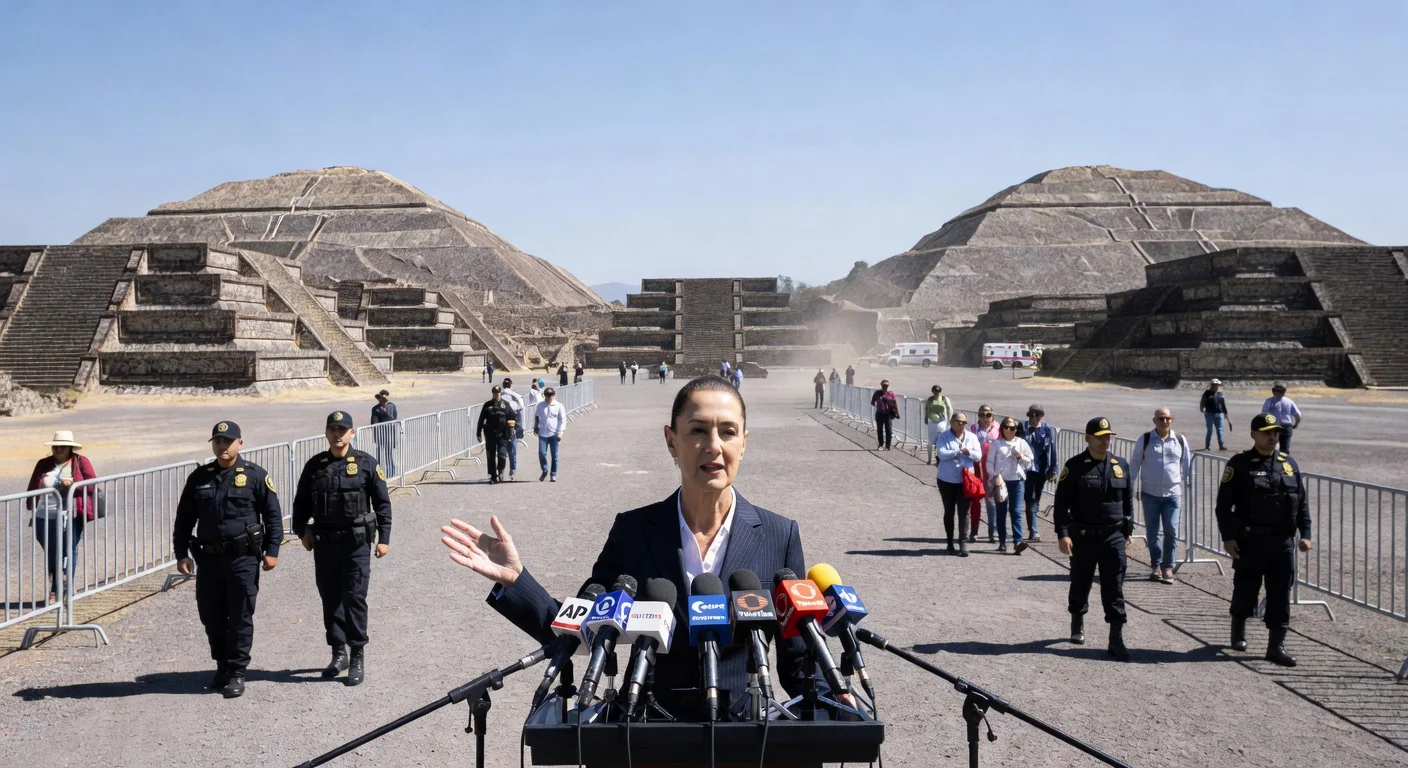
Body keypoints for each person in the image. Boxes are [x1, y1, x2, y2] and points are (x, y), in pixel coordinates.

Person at [441, 376, 823, 714]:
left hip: (745, 736)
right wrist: (516, 579)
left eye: (727, 432)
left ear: (744, 443)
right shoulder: (634, 530)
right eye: (697, 431)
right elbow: (582, 629)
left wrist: (833, 696)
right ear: (671, 441)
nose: (713, 446)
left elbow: (799, 658)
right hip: (643, 730)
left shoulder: (779, 534)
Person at [172, 421, 282, 698]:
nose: (223, 446)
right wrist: (181, 554)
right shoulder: (200, 477)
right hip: (208, 560)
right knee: (211, 616)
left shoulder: (255, 476)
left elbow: (272, 517)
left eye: (228, 441)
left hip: (242, 559)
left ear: (240, 443)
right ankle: (221, 665)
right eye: (218, 441)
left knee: (240, 616)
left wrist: (272, 552)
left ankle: (237, 671)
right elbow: (184, 519)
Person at [290, 411, 393, 686]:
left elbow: (382, 504)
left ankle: (357, 654)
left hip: (356, 545)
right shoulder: (315, 466)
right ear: (326, 433)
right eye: (333, 429)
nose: (338, 434)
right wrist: (301, 531)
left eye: (343, 429)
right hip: (324, 546)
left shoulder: (366, 464)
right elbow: (300, 503)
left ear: (352, 433)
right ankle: (339, 653)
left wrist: (384, 539)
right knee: (330, 600)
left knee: (355, 599)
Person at [1216, 413, 1313, 667]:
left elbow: (1300, 502)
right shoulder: (1239, 464)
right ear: (1253, 434)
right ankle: (1238, 629)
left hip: (1282, 542)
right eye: (1267, 432)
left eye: (1276, 433)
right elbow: (1223, 506)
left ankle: (1276, 646)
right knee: (1246, 589)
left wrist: (1307, 534)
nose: (1273, 437)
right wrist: (1228, 538)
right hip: (1250, 541)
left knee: (1280, 593)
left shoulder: (1288, 464)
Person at [1053, 417, 1134, 661]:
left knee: (1115, 587)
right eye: (1101, 436)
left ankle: (1115, 639)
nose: (1106, 440)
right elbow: (1060, 504)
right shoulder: (1075, 466)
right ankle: (1077, 620)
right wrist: (1063, 534)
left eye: (1109, 436)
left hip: (1113, 536)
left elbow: (1127, 500)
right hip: (1084, 536)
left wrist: (1127, 530)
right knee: (1080, 582)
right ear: (1088, 438)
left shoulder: (1121, 464)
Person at [26, 431, 97, 605]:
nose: (58, 449)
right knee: (51, 550)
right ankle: (59, 580)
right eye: (56, 446)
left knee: (68, 548)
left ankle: (61, 587)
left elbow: (93, 484)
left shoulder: (81, 462)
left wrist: (73, 484)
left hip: (71, 514)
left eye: (62, 446)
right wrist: (30, 503)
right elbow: (34, 483)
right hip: (44, 513)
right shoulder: (43, 463)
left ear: (70, 448)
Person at [1128, 408, 1193, 584]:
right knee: (1152, 532)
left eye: (1167, 418)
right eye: (1161, 418)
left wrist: (1189, 481)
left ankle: (1168, 567)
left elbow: (1187, 461)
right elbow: (1134, 463)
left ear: (1172, 420)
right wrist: (1129, 485)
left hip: (1173, 494)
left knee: (1171, 530)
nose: (1164, 421)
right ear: (1154, 420)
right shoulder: (1146, 439)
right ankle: (1156, 565)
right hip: (1150, 494)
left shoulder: (1179, 439)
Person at [935, 413, 982, 555]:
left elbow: (978, 455)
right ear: (951, 422)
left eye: (964, 422)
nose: (962, 424)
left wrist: (968, 453)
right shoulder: (943, 436)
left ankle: (963, 543)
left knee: (964, 512)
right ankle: (950, 541)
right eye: (959, 422)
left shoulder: (972, 437)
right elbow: (941, 453)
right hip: (947, 480)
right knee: (949, 511)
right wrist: (957, 451)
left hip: (965, 480)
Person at [986, 417, 1034, 553]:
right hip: (1001, 482)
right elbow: (989, 462)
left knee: (1016, 511)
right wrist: (994, 476)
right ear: (1002, 428)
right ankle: (1002, 542)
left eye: (1012, 428)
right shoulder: (996, 444)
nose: (1009, 430)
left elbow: (1030, 461)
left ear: (1016, 430)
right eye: (1006, 427)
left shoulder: (1021, 442)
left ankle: (1017, 541)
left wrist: (1021, 457)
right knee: (1001, 512)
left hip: (1017, 481)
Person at [1017, 404, 1057, 543]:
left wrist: (1053, 469)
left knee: (1036, 498)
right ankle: (1033, 530)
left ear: (1041, 416)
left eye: (1037, 415)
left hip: (1041, 468)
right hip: (1026, 469)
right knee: (1030, 498)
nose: (1034, 418)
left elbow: (1052, 449)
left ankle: (1032, 526)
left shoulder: (1047, 429)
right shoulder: (1021, 427)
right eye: (1031, 415)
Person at [969, 405, 1001, 543]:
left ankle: (992, 531)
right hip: (976, 466)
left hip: (992, 467)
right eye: (982, 414)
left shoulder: (998, 428)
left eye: (988, 414)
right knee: (975, 499)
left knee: (991, 499)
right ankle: (974, 531)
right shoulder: (974, 429)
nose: (985, 418)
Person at [475, 386, 516, 484]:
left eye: (498, 393)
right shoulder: (487, 405)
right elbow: (481, 419)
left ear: (500, 393)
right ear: (492, 393)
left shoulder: (505, 404)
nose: (496, 395)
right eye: (494, 393)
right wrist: (478, 432)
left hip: (502, 434)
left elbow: (512, 417)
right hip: (490, 434)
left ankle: (501, 470)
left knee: (502, 455)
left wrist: (512, 429)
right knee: (491, 456)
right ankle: (493, 476)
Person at [535, 386, 567, 482]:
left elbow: (563, 420)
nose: (549, 398)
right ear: (545, 396)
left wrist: (561, 432)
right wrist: (536, 427)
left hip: (554, 434)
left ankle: (553, 474)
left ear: (554, 395)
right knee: (542, 453)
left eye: (551, 396)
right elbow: (537, 416)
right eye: (548, 396)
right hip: (543, 433)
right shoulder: (540, 405)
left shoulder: (559, 406)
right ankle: (545, 469)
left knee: (555, 455)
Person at [1261, 383, 1302, 453]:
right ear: (1284, 392)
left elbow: (1263, 415)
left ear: (1273, 391)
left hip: (1273, 426)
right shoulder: (1289, 401)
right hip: (1286, 426)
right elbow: (1298, 415)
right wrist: (1295, 424)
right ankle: (1283, 462)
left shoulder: (1269, 401)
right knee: (1285, 450)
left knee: (1272, 448)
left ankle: (1274, 462)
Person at [499, 378, 527, 482]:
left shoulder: (499, 397)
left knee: (502, 452)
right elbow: (520, 413)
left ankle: (501, 472)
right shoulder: (516, 397)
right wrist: (521, 429)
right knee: (512, 452)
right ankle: (512, 472)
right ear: (511, 385)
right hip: (511, 429)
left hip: (502, 429)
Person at [922, 385, 954, 465]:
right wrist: (926, 417)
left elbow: (950, 409)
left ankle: (940, 458)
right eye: (935, 391)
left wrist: (950, 420)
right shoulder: (930, 399)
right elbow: (926, 408)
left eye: (938, 391)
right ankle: (929, 459)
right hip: (932, 421)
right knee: (930, 441)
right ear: (932, 391)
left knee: (940, 438)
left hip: (942, 421)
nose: (936, 393)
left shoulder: (944, 399)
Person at [370, 389, 398, 478]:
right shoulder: (375, 408)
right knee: (379, 454)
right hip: (380, 434)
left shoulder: (391, 406)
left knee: (388, 454)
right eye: (380, 397)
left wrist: (385, 406)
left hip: (389, 434)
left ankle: (391, 472)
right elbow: (374, 422)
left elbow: (392, 418)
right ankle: (378, 474)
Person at [1200, 378, 1229, 451]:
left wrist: (1225, 413)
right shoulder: (1207, 393)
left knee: (1220, 430)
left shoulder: (1220, 394)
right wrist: (1202, 408)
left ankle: (1221, 446)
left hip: (1219, 414)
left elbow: (1223, 404)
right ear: (1212, 385)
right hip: (1209, 414)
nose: (1216, 387)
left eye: (1217, 385)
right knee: (1210, 430)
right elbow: (1203, 401)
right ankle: (1207, 446)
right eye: (1215, 385)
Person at [870, 379, 899, 451]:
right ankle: (881, 444)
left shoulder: (891, 393)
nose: (885, 387)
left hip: (888, 414)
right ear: (881, 385)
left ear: (888, 386)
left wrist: (897, 413)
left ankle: (888, 446)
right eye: (883, 386)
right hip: (879, 414)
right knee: (880, 430)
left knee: (888, 430)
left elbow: (895, 403)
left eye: (886, 386)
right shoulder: (877, 393)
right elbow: (872, 402)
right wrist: (879, 405)